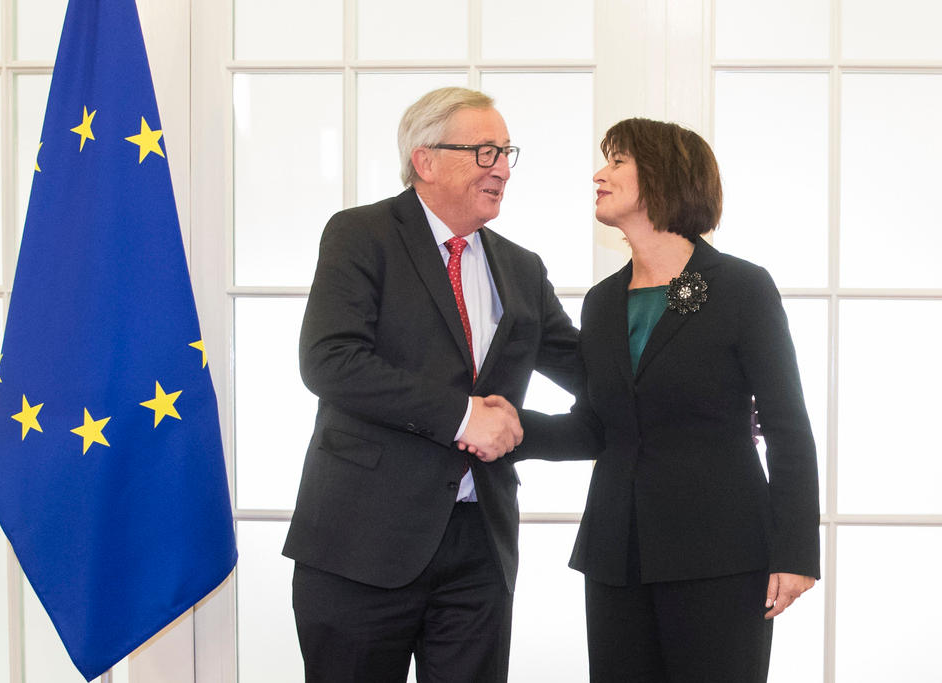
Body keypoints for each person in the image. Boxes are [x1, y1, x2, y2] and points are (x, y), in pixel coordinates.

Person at [282, 87, 582, 683]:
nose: (501, 168)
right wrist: (464, 417)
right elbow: (329, 360)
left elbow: (590, 372)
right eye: (485, 151)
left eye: (506, 153)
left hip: (479, 549)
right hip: (360, 544)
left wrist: (709, 396)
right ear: (425, 159)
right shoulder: (360, 234)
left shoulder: (522, 267)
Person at [516, 118, 821, 682]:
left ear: (661, 175)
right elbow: (596, 426)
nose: (598, 175)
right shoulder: (603, 302)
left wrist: (797, 551)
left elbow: (786, 425)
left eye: (616, 162)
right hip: (616, 553)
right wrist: (510, 429)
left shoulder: (741, 287)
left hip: (721, 553)